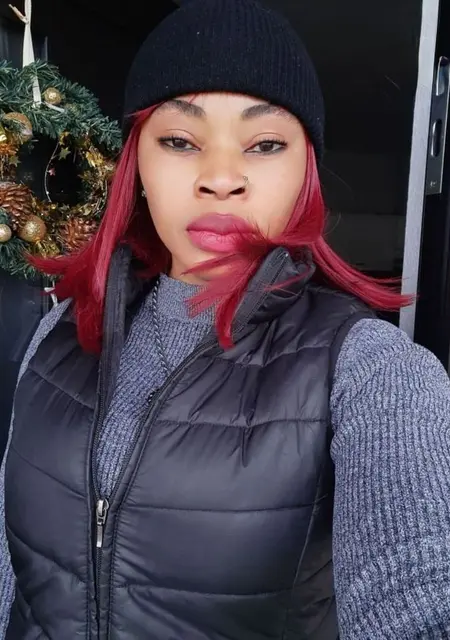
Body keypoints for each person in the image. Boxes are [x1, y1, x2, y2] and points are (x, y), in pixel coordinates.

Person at [1, 0, 450, 638]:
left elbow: (419, 594)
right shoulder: (60, 332)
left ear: (304, 172)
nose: (220, 178)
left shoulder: (372, 371)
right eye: (180, 141)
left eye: (264, 144)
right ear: (138, 164)